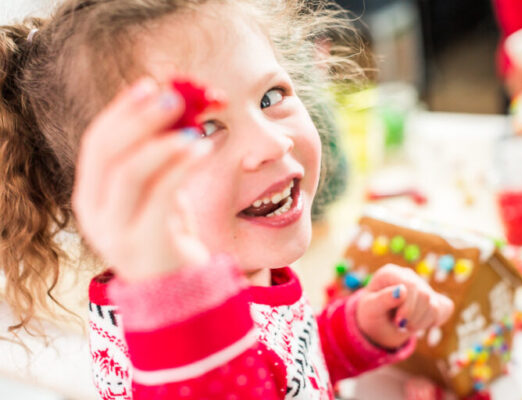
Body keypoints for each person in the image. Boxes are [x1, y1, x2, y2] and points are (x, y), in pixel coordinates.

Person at [0, 1, 454, 399]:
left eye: (270, 96)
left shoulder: (239, 266)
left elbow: (279, 370)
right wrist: (170, 284)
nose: (273, 143)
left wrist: (354, 332)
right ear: (116, 194)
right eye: (202, 129)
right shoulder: (167, 345)